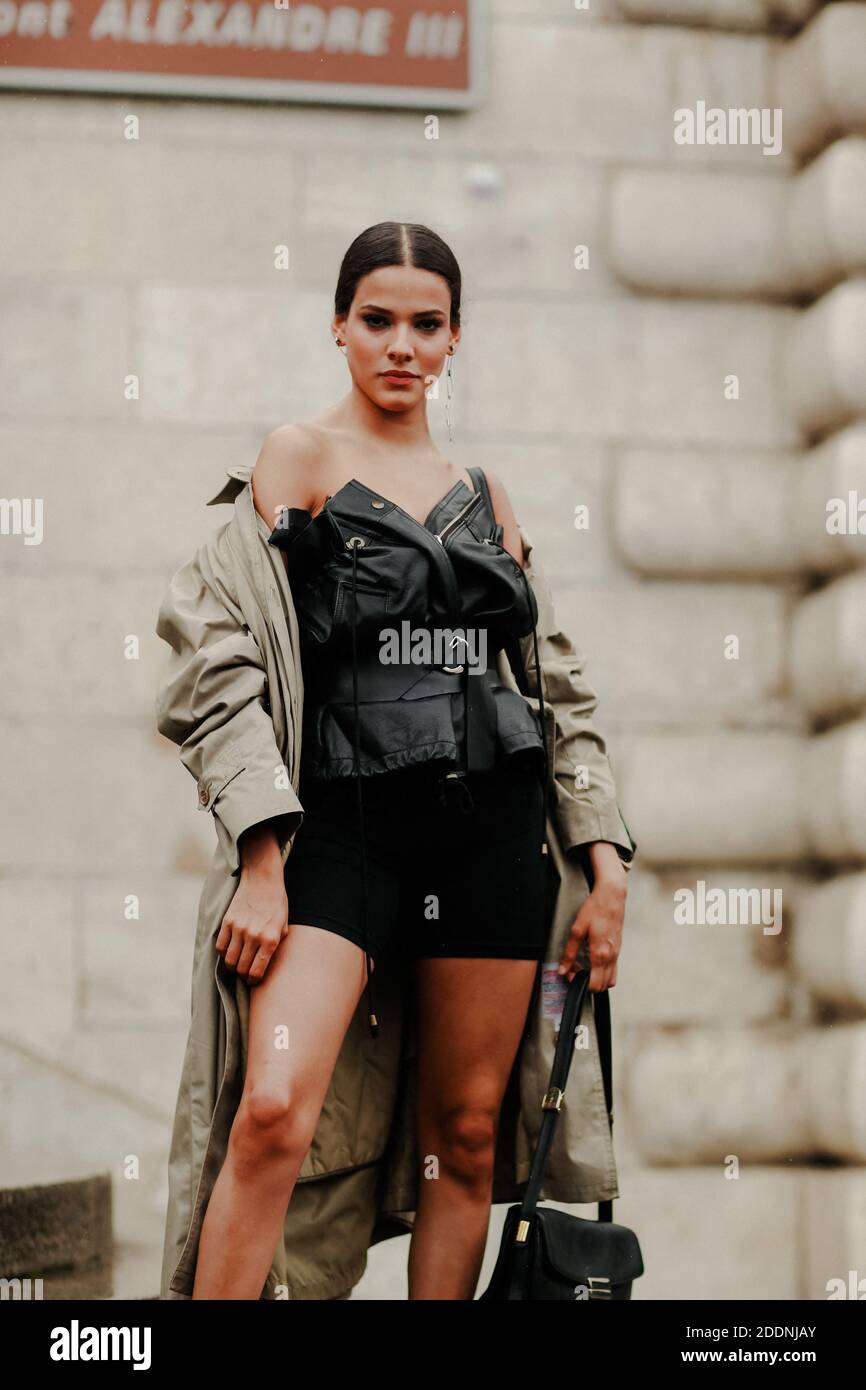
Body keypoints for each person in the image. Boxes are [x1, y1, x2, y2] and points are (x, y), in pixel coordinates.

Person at [184, 221, 632, 1299]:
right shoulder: (294, 456)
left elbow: (555, 683)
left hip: (490, 830)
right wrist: (257, 852)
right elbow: (217, 657)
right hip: (341, 827)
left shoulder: (487, 491)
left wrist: (605, 860)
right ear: (337, 325)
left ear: (453, 338)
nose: (400, 345)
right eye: (376, 320)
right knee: (273, 1106)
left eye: (425, 325)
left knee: (469, 1130)